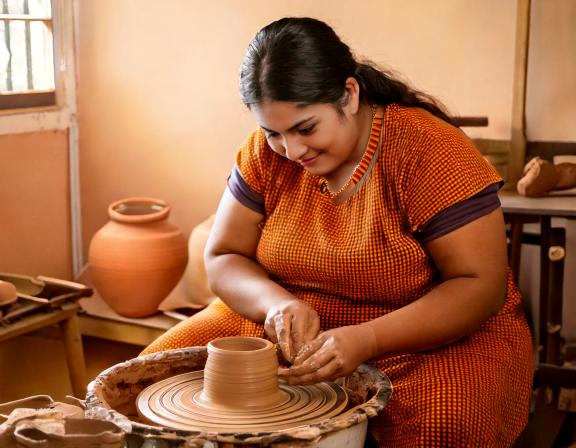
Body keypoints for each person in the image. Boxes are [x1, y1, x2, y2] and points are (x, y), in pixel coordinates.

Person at [142, 17, 533, 446]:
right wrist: (276, 304)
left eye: (305, 129)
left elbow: (480, 287)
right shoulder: (264, 154)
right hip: (288, 328)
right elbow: (223, 257)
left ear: (348, 95)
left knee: (445, 426)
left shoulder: (430, 151)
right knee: (149, 379)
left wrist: (366, 339)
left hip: (424, 337)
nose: (291, 151)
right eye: (274, 133)